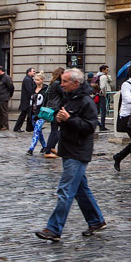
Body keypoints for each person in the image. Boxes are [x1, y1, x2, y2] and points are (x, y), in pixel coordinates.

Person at [34, 68, 105, 241]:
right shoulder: (69, 98)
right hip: (68, 149)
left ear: (75, 83)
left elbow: (90, 127)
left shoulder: (87, 102)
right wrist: (59, 118)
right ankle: (96, 220)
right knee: (81, 189)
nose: (61, 84)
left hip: (78, 151)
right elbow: (65, 118)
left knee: (65, 190)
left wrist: (68, 119)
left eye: (65, 81)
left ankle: (54, 228)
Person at [41, 69, 65, 158]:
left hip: (53, 108)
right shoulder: (57, 84)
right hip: (56, 108)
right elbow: (64, 94)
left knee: (55, 129)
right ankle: (48, 150)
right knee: (57, 130)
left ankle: (51, 147)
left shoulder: (53, 83)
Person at [27, 71, 49, 155]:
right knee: (38, 131)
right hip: (33, 112)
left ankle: (31, 148)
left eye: (38, 80)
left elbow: (47, 101)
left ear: (42, 80)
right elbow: (30, 101)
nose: (36, 81)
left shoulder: (46, 90)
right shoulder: (33, 89)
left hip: (41, 114)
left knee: (36, 130)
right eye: (35, 80)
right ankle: (44, 146)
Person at [13, 68, 36, 132]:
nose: (34, 72)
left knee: (28, 115)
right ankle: (17, 128)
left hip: (27, 101)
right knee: (23, 115)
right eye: (33, 71)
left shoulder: (29, 79)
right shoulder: (27, 80)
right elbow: (29, 90)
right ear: (29, 72)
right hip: (27, 101)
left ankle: (29, 128)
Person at [0, 66, 15, 131]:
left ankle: (5, 125)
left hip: (4, 97)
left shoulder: (6, 78)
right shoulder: (0, 78)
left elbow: (11, 87)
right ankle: (0, 125)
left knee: (3, 112)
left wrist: (10, 95)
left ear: (1, 70)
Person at [96, 65, 113, 131]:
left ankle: (101, 125)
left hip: (99, 94)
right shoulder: (103, 77)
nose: (107, 71)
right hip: (103, 95)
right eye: (106, 70)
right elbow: (102, 86)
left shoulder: (98, 75)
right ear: (103, 70)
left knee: (100, 110)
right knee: (103, 110)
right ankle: (102, 125)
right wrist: (104, 94)